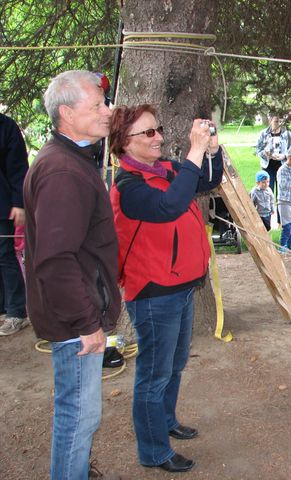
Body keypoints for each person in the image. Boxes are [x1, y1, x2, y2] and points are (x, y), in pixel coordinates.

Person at [109, 105, 223, 473]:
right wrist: (194, 150)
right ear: (124, 143)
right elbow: (169, 206)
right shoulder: (129, 187)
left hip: (181, 286)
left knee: (174, 365)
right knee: (154, 375)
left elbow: (205, 181)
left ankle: (166, 421)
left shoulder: (165, 169)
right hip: (154, 292)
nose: (158, 136)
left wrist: (211, 150)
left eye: (157, 129)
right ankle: (154, 451)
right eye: (148, 133)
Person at [23, 70, 122, 480]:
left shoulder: (73, 158)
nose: (107, 111)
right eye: (97, 105)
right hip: (73, 320)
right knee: (79, 417)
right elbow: (55, 260)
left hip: (75, 311)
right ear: (66, 113)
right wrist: (86, 324)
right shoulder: (63, 171)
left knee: (81, 415)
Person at [0, 112, 29, 336]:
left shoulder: (6, 126)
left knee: (4, 255)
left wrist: (19, 203)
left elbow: (18, 168)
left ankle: (16, 312)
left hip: (3, 205)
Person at [256, 114, 291, 204]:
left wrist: (284, 156)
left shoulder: (287, 134)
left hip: (282, 166)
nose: (278, 124)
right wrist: (266, 154)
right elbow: (258, 150)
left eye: (280, 121)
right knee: (268, 191)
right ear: (270, 121)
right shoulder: (264, 134)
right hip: (268, 166)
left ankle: (280, 213)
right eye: (276, 121)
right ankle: (268, 211)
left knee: (281, 193)